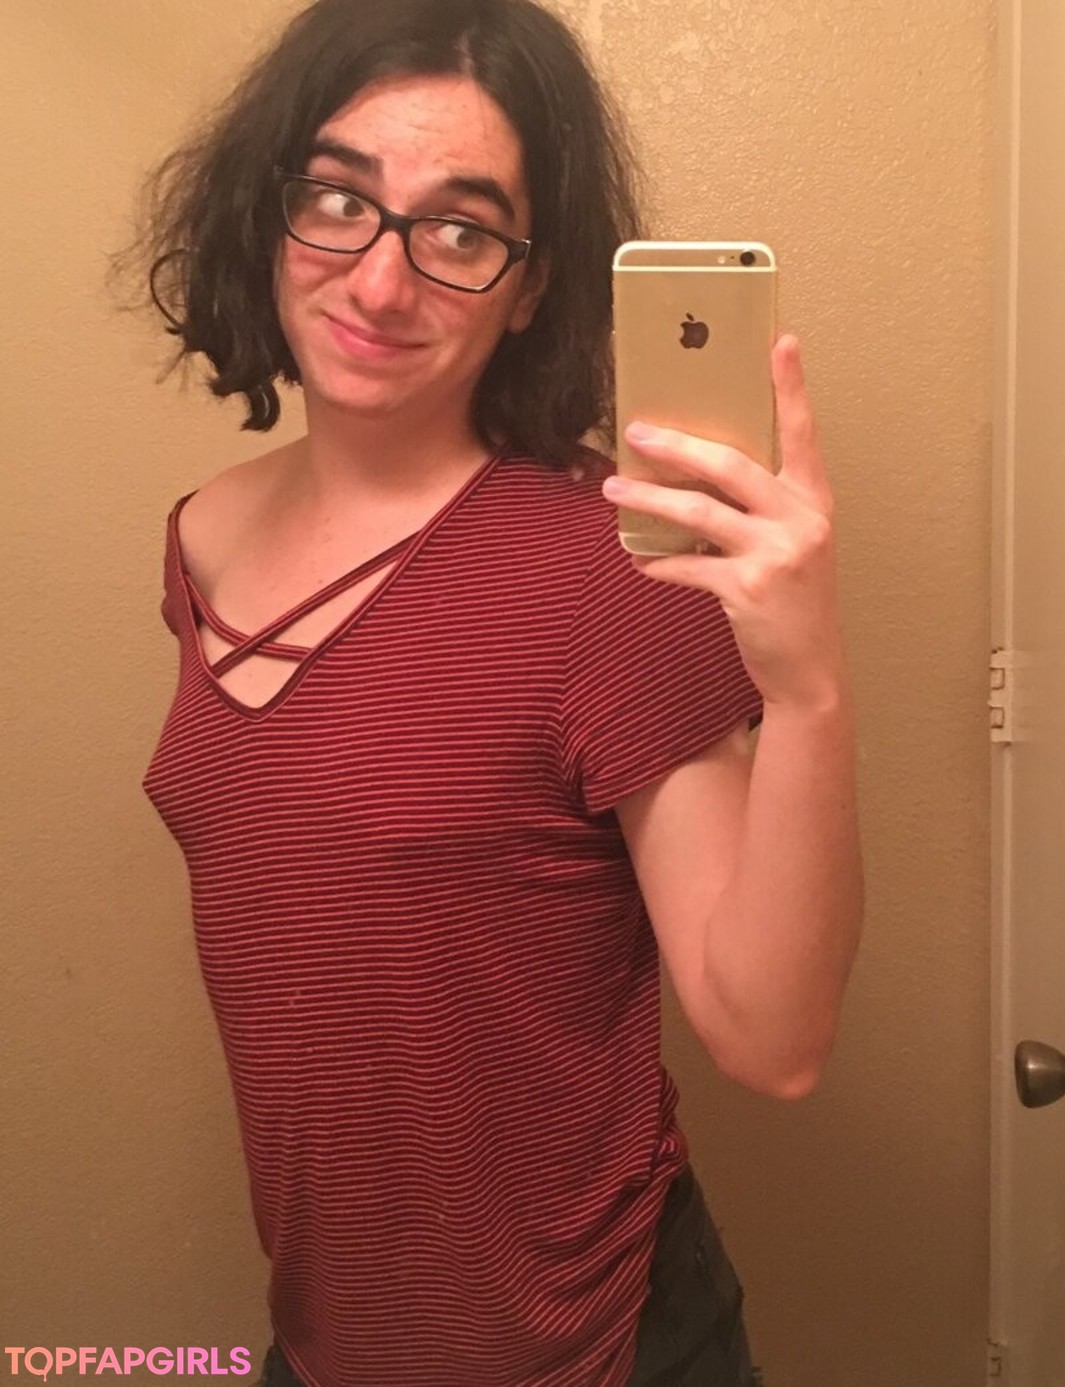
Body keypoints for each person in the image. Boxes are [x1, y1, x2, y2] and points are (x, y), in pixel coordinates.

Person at [114, 1, 863, 1383]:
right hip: (325, 1342)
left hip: (597, 1346)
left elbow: (776, 1040)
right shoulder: (200, 538)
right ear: (270, 209)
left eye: (460, 231)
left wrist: (808, 689)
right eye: (339, 198)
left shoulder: (605, 569)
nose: (379, 283)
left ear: (530, 287)